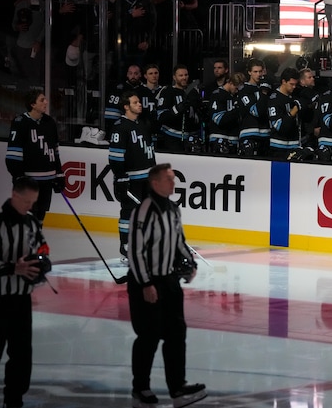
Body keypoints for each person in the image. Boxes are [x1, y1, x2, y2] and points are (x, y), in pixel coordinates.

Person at [0, 176, 51, 408]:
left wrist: (41, 264)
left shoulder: (32, 222)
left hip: (22, 299)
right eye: (26, 202)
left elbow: (44, 250)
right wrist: (13, 268)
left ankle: (14, 400)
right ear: (14, 195)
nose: (30, 207)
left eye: (33, 202)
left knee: (22, 355)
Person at [127, 163, 207, 408]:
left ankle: (177, 386)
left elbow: (179, 242)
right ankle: (140, 387)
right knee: (148, 337)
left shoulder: (173, 209)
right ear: (155, 183)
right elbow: (135, 251)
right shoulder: (143, 212)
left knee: (176, 334)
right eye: (169, 179)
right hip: (147, 283)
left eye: (173, 178)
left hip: (169, 281)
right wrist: (146, 283)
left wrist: (191, 265)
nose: (174, 183)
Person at [109, 91, 156, 260]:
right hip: (131, 179)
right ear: (126, 107)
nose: (140, 104)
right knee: (129, 212)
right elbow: (115, 157)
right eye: (135, 102)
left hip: (147, 178)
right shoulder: (120, 127)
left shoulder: (143, 124)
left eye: (139, 102)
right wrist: (120, 177)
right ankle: (126, 246)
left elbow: (149, 152)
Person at [5, 89, 64, 225]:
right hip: (29, 181)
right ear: (32, 104)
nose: (46, 102)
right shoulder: (20, 122)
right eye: (42, 100)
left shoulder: (50, 122)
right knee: (27, 217)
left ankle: (36, 244)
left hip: (47, 180)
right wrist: (19, 176)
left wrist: (59, 174)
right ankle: (24, 244)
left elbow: (54, 151)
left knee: (40, 217)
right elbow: (13, 154)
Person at [156, 64, 204, 153]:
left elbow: (198, 115)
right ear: (174, 77)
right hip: (173, 138)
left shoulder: (193, 92)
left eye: (186, 75)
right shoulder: (167, 91)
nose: (184, 78)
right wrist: (177, 109)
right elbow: (161, 116)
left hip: (192, 138)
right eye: (181, 75)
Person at [114, 0, 155, 73]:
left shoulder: (145, 2)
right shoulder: (118, 2)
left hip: (140, 44)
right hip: (123, 45)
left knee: (138, 72)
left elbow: (152, 24)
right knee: (123, 73)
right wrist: (131, 16)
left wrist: (148, 41)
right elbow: (115, 24)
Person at [104, 64, 157, 140]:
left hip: (140, 129)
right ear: (127, 75)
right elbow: (111, 114)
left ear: (140, 75)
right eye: (130, 73)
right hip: (122, 128)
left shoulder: (146, 91)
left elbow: (150, 114)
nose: (133, 76)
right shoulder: (118, 89)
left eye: (136, 73)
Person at [237, 58, 270, 157]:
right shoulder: (244, 90)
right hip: (249, 134)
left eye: (260, 71)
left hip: (266, 136)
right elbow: (256, 111)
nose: (258, 74)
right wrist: (264, 93)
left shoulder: (267, 87)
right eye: (255, 72)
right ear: (249, 72)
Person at [268, 67, 302, 160]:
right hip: (278, 147)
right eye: (291, 84)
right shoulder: (274, 99)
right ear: (283, 81)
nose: (294, 87)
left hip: (294, 145)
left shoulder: (295, 95)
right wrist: (293, 112)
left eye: (296, 84)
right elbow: (279, 126)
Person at [207, 71, 245, 154]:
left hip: (234, 141)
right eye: (236, 88)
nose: (237, 91)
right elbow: (219, 119)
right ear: (231, 82)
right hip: (219, 139)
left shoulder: (236, 97)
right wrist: (237, 110)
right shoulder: (217, 95)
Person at [294, 68, 320, 149]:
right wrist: (312, 129)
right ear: (302, 81)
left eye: (312, 77)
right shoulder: (303, 92)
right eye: (309, 77)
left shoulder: (312, 91)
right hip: (306, 134)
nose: (313, 79)